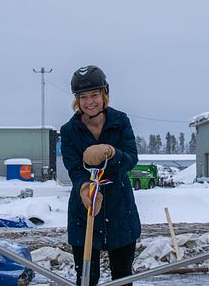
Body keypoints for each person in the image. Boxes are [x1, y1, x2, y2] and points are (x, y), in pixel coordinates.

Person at [60, 65, 141, 286]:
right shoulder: (69, 131)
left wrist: (112, 153)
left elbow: (131, 158)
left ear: (104, 93)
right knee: (86, 278)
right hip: (84, 212)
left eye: (94, 94)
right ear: (76, 100)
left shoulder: (120, 121)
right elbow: (75, 168)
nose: (89, 102)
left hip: (120, 210)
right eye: (83, 96)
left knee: (123, 277)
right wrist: (85, 188)